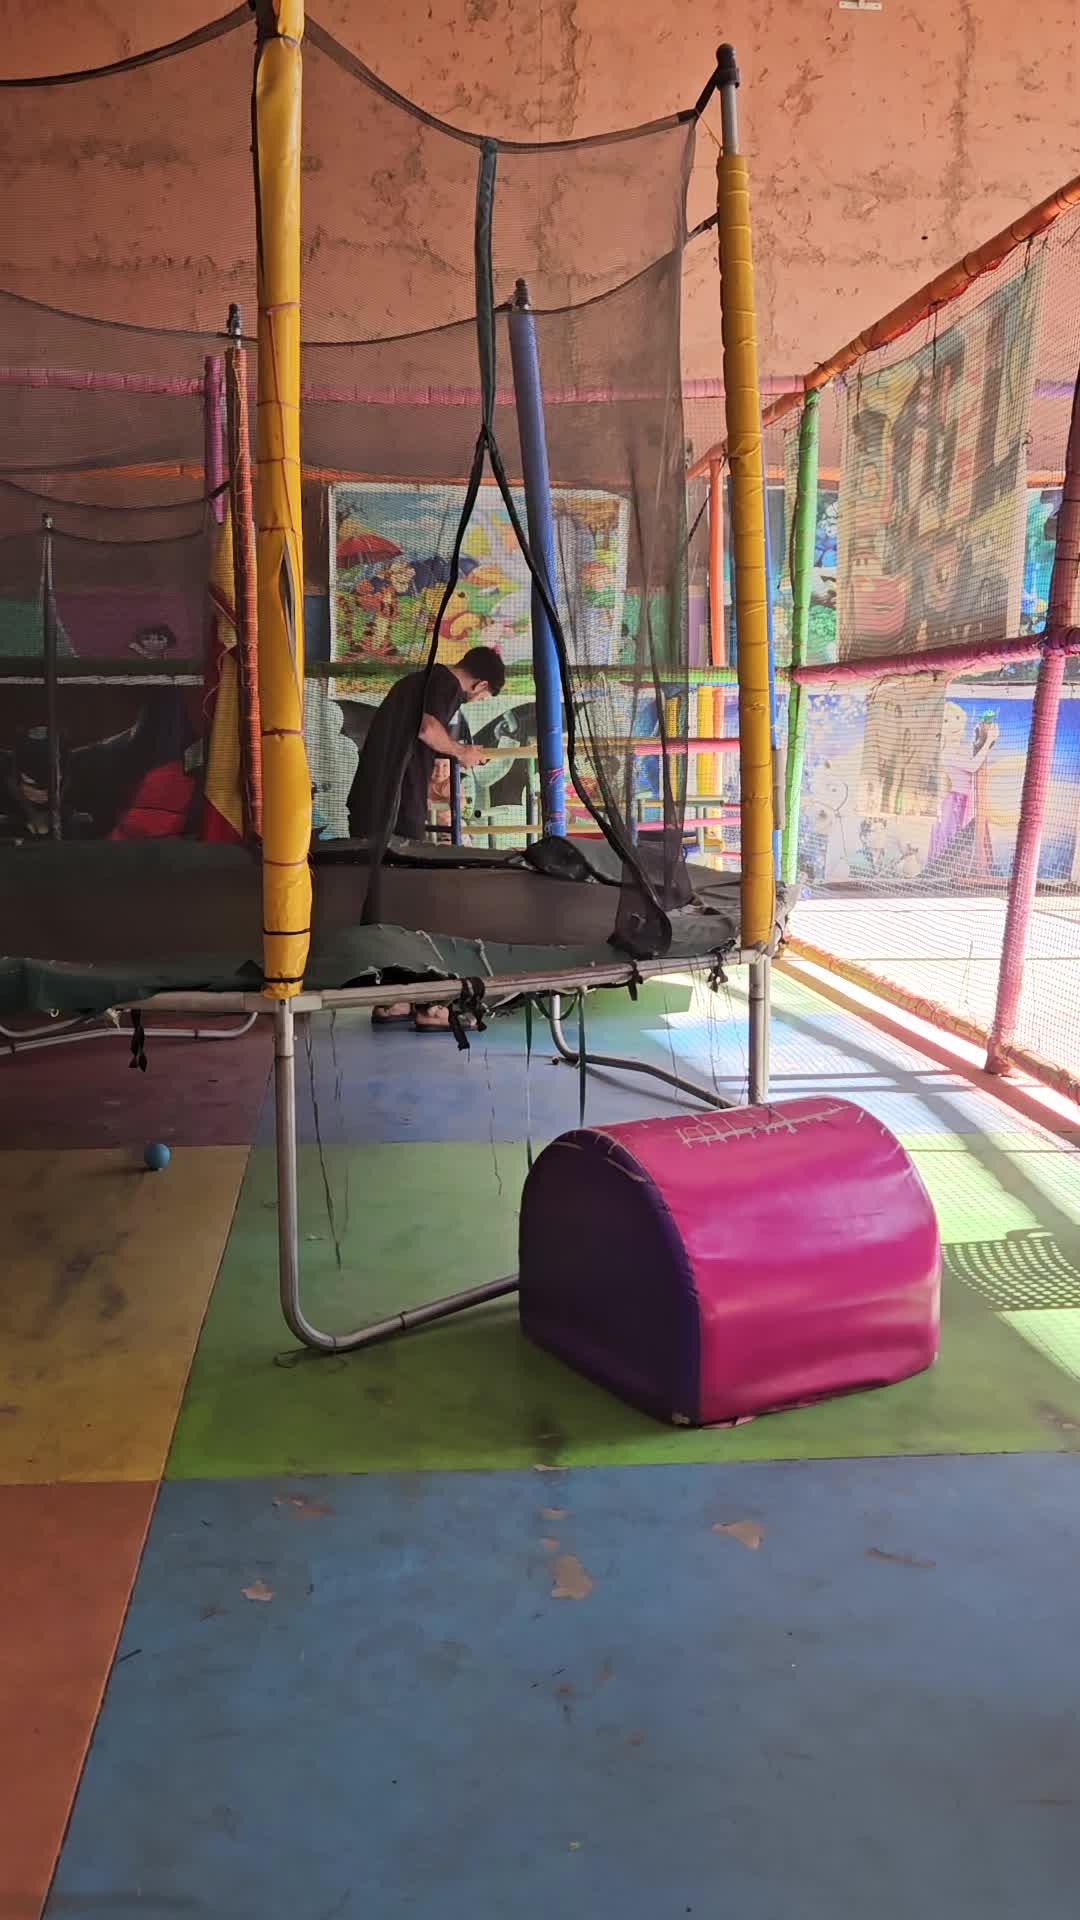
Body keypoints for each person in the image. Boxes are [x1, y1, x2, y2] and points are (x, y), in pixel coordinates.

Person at [348, 644, 506, 1031]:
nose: (476, 701)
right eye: (482, 696)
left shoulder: (414, 683)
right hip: (396, 806)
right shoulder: (445, 683)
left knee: (385, 901)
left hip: (373, 802)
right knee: (411, 900)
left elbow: (414, 737)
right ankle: (428, 1004)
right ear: (480, 684)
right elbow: (427, 729)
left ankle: (392, 998)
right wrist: (461, 752)